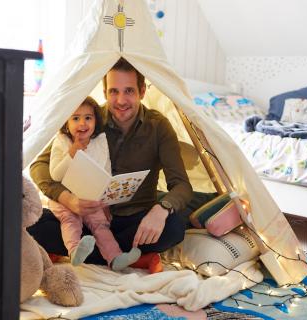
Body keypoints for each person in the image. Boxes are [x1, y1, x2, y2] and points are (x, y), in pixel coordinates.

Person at [28, 57, 193, 267]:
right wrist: (68, 200)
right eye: (114, 91)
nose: (121, 101)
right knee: (29, 223)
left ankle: (92, 253)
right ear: (105, 92)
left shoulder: (158, 126)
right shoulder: (88, 119)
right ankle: (123, 257)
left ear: (142, 91)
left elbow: (182, 185)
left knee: (174, 228)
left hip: (133, 220)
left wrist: (160, 210)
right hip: (86, 217)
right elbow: (39, 166)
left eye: (129, 91)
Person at [48, 96, 141, 270]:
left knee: (101, 225)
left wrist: (105, 198)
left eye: (88, 118)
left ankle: (115, 258)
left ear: (96, 121)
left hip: (91, 196)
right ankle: (75, 252)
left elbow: (105, 170)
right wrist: (72, 153)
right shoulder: (61, 140)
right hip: (66, 198)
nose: (82, 123)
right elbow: (55, 175)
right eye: (75, 118)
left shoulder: (100, 141)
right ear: (66, 121)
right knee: (70, 220)